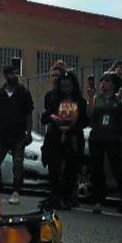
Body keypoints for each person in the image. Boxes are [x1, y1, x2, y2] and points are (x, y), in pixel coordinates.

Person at [40, 71, 88, 210]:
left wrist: (72, 123)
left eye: (68, 86)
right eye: (63, 86)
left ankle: (66, 197)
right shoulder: (52, 98)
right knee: (54, 169)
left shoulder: (80, 102)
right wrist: (54, 118)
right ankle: (55, 197)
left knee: (70, 170)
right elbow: (45, 117)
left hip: (72, 138)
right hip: (55, 137)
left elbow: (84, 121)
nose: (66, 89)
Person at [0, 65, 34, 204]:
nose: (13, 76)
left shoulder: (24, 92)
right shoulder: (0, 93)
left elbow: (28, 114)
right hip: (1, 136)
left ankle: (16, 192)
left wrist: (29, 132)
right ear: (5, 75)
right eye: (10, 74)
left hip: (18, 136)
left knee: (18, 165)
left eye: (15, 73)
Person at [86, 72, 122, 214]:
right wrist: (90, 97)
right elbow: (89, 114)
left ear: (114, 85)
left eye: (107, 81)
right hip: (97, 138)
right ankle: (98, 200)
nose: (103, 83)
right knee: (97, 169)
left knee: (117, 169)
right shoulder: (97, 99)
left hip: (113, 139)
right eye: (102, 81)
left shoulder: (119, 101)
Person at [40, 60, 67, 127]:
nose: (55, 78)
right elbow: (46, 115)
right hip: (52, 131)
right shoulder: (48, 95)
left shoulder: (68, 94)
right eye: (53, 76)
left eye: (57, 75)